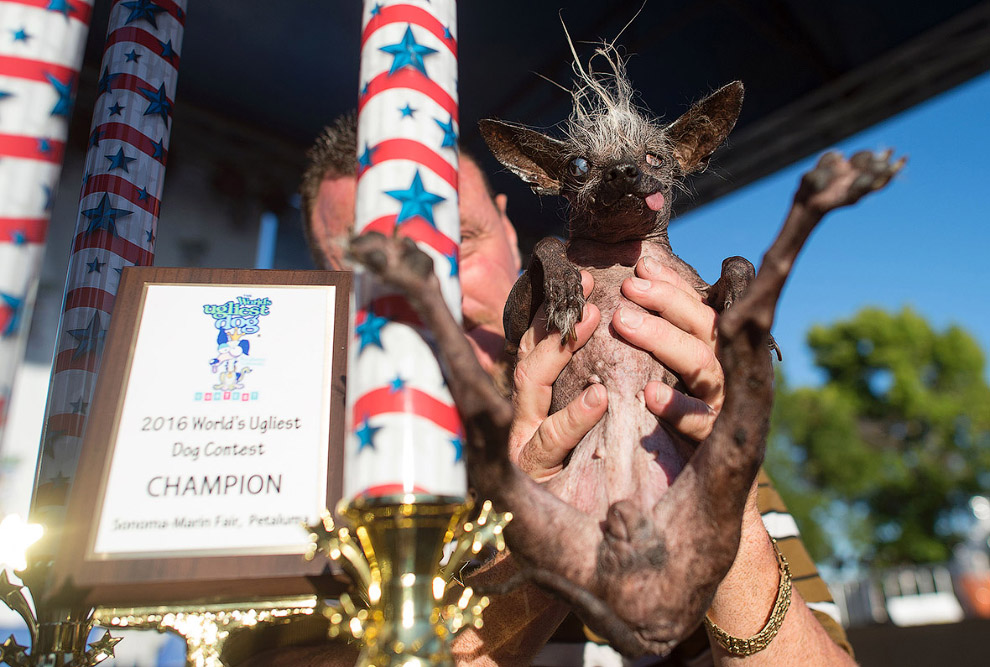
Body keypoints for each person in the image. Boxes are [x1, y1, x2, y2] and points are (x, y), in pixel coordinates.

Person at [241, 116, 854, 666]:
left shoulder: (682, 401)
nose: (441, 286)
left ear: (510, 227)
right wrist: (538, 535)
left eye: (464, 239)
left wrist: (724, 493)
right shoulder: (288, 467)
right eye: (371, 265)